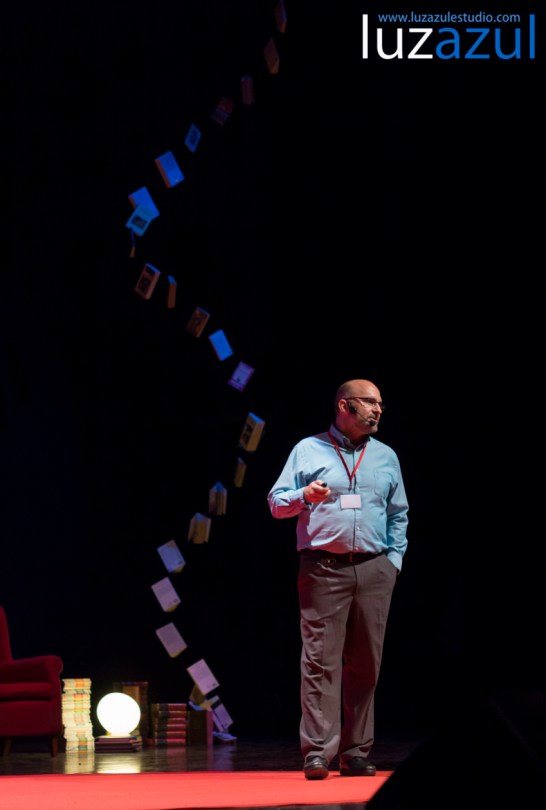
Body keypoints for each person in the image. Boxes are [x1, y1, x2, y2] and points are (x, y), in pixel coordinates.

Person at [267, 379, 409, 780]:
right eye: (369, 402)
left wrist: (393, 561)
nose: (378, 410)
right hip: (323, 569)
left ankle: (356, 751)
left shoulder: (386, 457)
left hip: (374, 568)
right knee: (319, 663)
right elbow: (276, 504)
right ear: (344, 405)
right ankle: (317, 752)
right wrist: (303, 497)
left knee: (365, 665)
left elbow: (399, 513)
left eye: (381, 403)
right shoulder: (307, 449)